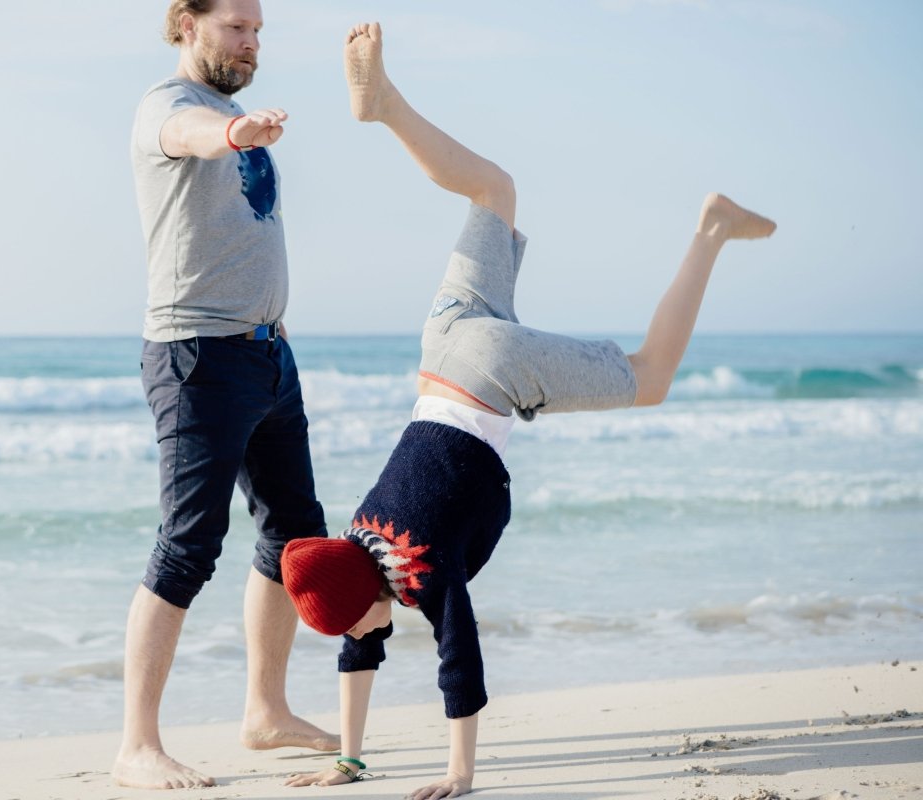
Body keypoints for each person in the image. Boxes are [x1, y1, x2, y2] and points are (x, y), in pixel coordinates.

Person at [282, 22, 776, 800]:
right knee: (495, 190)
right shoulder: (357, 545)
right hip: (443, 348)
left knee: (651, 378)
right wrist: (348, 762)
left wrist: (459, 775)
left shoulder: (416, 572)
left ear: (363, 603)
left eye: (349, 631)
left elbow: (459, 660)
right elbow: (359, 645)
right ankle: (387, 107)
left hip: (493, 376)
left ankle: (710, 230)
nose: (354, 646)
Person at [111, 0, 339, 789]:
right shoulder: (170, 108)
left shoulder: (234, 108)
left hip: (269, 355)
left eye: (258, 32)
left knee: (293, 531)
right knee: (187, 547)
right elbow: (189, 139)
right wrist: (235, 135)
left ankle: (265, 712)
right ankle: (136, 746)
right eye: (236, 27)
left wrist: (241, 125)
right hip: (197, 357)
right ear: (187, 24)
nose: (251, 44)